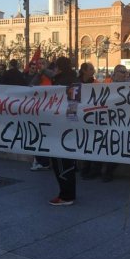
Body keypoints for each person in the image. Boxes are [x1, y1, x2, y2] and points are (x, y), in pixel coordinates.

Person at [48, 56, 79, 206]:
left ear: (59, 68)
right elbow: (75, 105)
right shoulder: (74, 80)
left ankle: (66, 196)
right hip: (70, 126)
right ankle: (68, 193)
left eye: (54, 67)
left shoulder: (61, 82)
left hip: (60, 127)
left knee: (60, 162)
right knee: (69, 162)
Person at [77, 62, 103, 180]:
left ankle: (93, 169)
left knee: (93, 142)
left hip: (93, 117)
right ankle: (85, 167)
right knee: (84, 143)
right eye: (91, 69)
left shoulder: (96, 84)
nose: (93, 70)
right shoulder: (76, 83)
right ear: (84, 71)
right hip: (80, 117)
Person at [28, 57, 55, 171]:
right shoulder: (38, 76)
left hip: (50, 108)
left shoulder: (50, 74)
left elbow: (53, 75)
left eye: (43, 63)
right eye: (39, 64)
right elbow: (31, 86)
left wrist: (43, 70)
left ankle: (45, 161)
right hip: (39, 109)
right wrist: (39, 74)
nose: (40, 65)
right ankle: (41, 160)